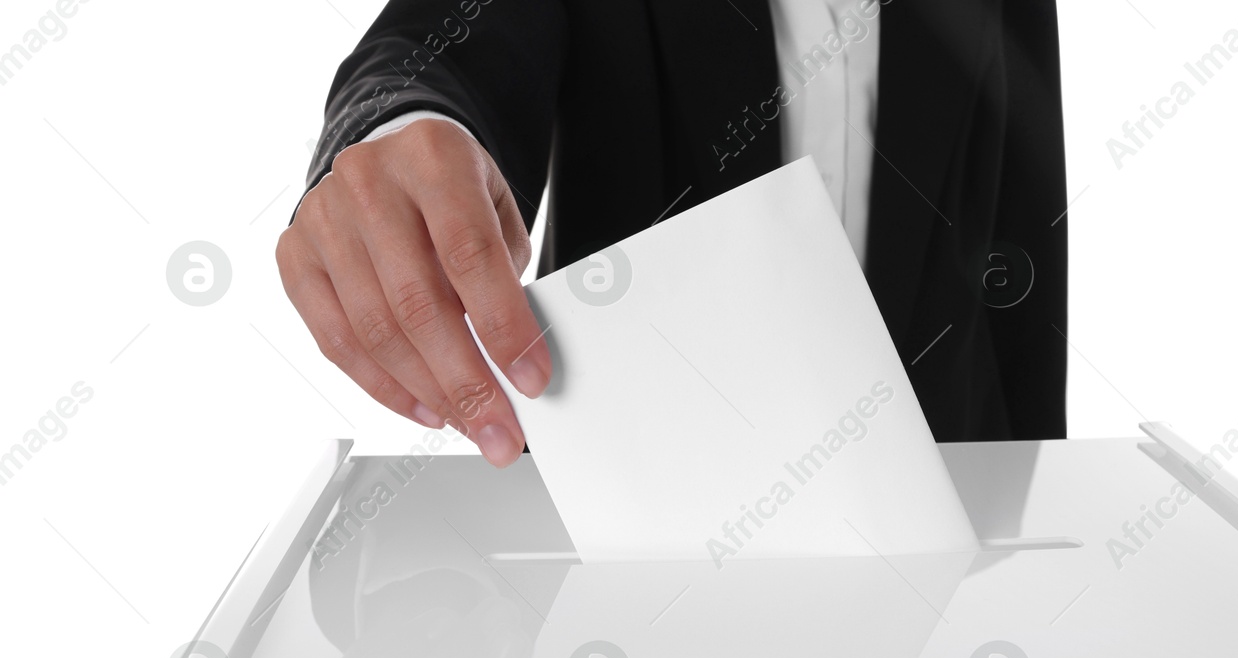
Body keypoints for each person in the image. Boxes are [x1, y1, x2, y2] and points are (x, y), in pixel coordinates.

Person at [277, 0, 1067, 467]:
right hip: (647, 516)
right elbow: (437, 42)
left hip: (941, 500)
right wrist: (393, 132)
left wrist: (1037, 498)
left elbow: (1021, 213)